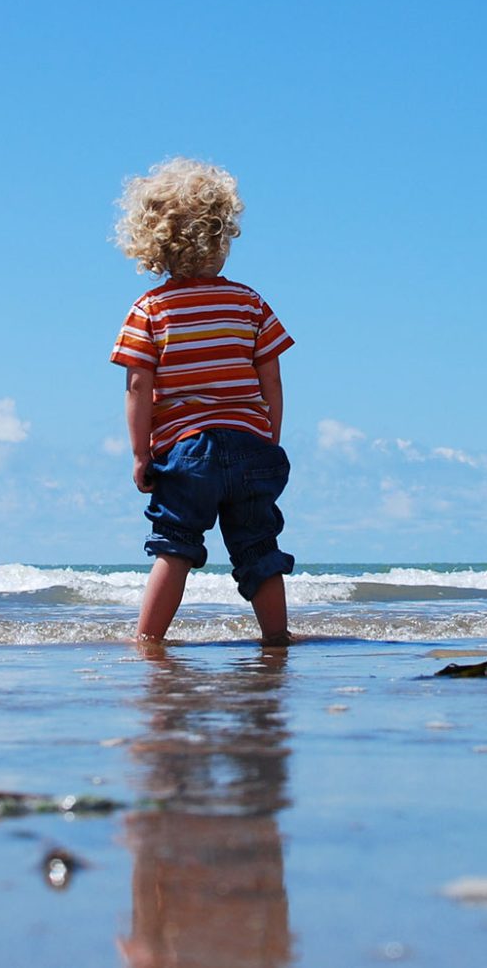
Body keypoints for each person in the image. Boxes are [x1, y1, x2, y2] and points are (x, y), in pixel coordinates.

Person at [110, 157, 295, 643]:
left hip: (187, 452)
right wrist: (269, 435)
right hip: (252, 447)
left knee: (175, 547)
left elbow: (138, 386)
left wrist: (140, 454)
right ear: (222, 237)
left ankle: (148, 642)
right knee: (259, 548)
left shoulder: (150, 310)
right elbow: (271, 376)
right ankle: (277, 640)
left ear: (156, 245)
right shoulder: (249, 302)